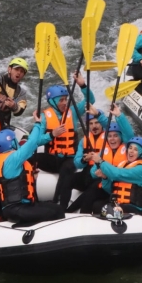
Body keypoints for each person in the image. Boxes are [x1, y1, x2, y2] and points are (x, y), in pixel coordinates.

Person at [31, 75, 94, 209]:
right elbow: (36, 141)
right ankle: (30, 196)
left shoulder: (73, 112)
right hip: (52, 158)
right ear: (53, 102)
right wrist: (52, 135)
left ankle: (58, 203)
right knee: (29, 158)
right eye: (61, 100)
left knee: (67, 169)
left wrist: (82, 85)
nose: (65, 102)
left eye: (66, 99)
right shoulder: (44, 117)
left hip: (69, 158)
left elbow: (91, 100)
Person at [0, 122, 65, 224]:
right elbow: (32, 142)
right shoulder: (12, 159)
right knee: (55, 213)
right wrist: (38, 123)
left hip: (23, 206)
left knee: (57, 208)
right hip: (16, 209)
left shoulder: (5, 158)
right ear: (11, 143)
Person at [67, 104, 133, 213]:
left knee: (93, 197)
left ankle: (70, 212)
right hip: (107, 185)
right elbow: (93, 172)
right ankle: (77, 216)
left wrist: (118, 115)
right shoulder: (104, 150)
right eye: (110, 136)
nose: (112, 139)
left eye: (115, 136)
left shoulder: (127, 149)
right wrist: (98, 172)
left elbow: (128, 133)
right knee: (90, 193)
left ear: (121, 137)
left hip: (120, 189)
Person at [83, 136, 142, 216]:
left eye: (136, 149)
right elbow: (110, 190)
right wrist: (105, 178)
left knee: (109, 210)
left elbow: (116, 174)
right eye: (130, 148)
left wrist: (100, 161)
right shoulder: (122, 165)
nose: (131, 151)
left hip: (133, 209)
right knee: (97, 205)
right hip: (118, 205)